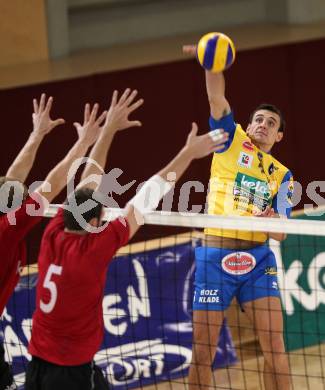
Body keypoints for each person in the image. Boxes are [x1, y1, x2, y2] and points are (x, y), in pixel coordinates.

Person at [24, 88, 229, 390]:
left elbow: (86, 183)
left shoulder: (53, 232)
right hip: (70, 373)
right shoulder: (92, 252)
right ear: (94, 223)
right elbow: (146, 198)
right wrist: (187, 153)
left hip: (37, 364)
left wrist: (107, 132)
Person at [183, 45, 294, 390]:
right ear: (249, 125)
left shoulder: (284, 176)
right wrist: (210, 62)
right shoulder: (232, 140)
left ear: (279, 136)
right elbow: (217, 97)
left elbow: (283, 233)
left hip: (257, 262)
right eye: (259, 119)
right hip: (215, 258)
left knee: (275, 348)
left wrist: (271, 222)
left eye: (271, 123)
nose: (263, 124)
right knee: (203, 351)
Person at [0, 94, 106, 390]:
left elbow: (12, 178)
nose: (23, 188)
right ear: (13, 209)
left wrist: (37, 135)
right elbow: (52, 184)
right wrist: (84, 142)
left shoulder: (4, 215)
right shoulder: (7, 231)